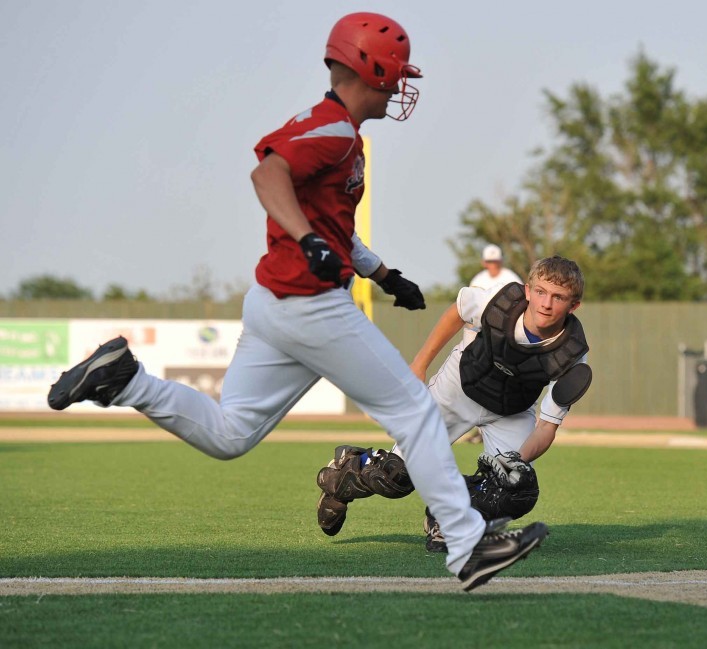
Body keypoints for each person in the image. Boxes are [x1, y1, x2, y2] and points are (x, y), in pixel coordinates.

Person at [46, 12, 547, 592]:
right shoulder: (334, 130)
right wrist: (308, 241)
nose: (400, 86)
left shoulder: (338, 134)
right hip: (311, 306)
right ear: (373, 70)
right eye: (396, 74)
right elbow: (268, 174)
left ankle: (126, 381)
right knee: (417, 415)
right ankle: (467, 549)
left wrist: (383, 274)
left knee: (231, 433)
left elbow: (333, 226)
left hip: (273, 303)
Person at [316, 255, 590, 552]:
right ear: (527, 291)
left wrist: (515, 462)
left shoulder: (572, 355)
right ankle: (347, 470)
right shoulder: (500, 303)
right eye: (540, 291)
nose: (546, 304)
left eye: (558, 297)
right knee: (395, 477)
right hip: (459, 388)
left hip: (511, 412)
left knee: (516, 488)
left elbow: (547, 427)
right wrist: (419, 366)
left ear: (573, 306)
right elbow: (458, 311)